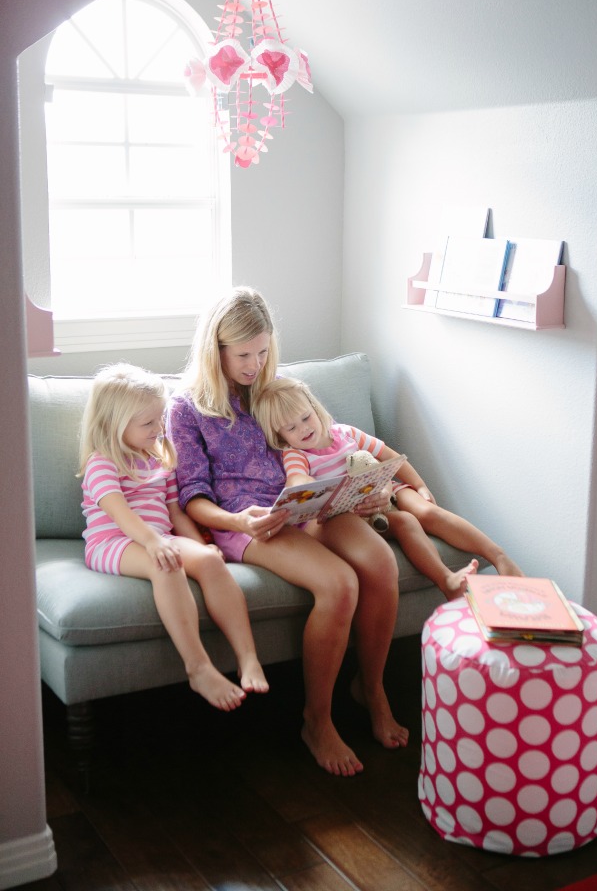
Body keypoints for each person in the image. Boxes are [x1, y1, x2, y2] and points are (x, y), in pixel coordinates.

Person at [166, 287, 407, 777]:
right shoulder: (186, 408)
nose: (255, 365)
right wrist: (235, 521)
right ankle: (317, 721)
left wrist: (362, 491)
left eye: (262, 351)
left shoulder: (277, 389)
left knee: (380, 563)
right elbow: (192, 495)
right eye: (243, 356)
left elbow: (329, 443)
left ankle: (372, 688)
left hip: (308, 502)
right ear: (216, 351)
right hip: (248, 520)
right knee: (339, 584)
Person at [78, 363, 269, 713]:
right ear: (114, 424)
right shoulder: (102, 463)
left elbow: (175, 512)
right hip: (113, 543)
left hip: (159, 536)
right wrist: (153, 543)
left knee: (210, 560)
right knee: (166, 565)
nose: (158, 428)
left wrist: (199, 544)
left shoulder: (158, 458)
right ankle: (198, 667)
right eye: (147, 423)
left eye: (160, 418)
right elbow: (120, 513)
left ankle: (248, 657)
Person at [253, 377, 524, 596]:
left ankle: (499, 556)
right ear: (280, 436)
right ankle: (446, 580)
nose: (302, 429)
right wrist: (305, 486)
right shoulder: (296, 454)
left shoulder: (345, 433)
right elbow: (297, 479)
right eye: (290, 428)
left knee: (426, 512)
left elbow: (390, 457)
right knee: (406, 523)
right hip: (352, 516)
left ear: (314, 408)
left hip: (383, 489)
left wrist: (419, 486)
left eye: (305, 418)